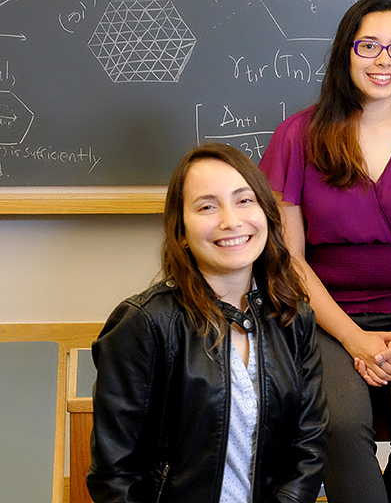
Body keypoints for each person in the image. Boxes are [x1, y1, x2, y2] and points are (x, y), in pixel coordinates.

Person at [258, 0, 391, 503]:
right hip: (324, 320)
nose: (383, 59)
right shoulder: (299, 135)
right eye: (369, 45)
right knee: (342, 429)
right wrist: (354, 339)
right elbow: (289, 258)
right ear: (345, 54)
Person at [87, 143, 328, 503]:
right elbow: (114, 476)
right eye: (207, 206)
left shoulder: (294, 318)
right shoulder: (144, 324)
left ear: (266, 212)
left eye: (244, 200)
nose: (231, 221)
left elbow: (309, 447)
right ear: (181, 231)